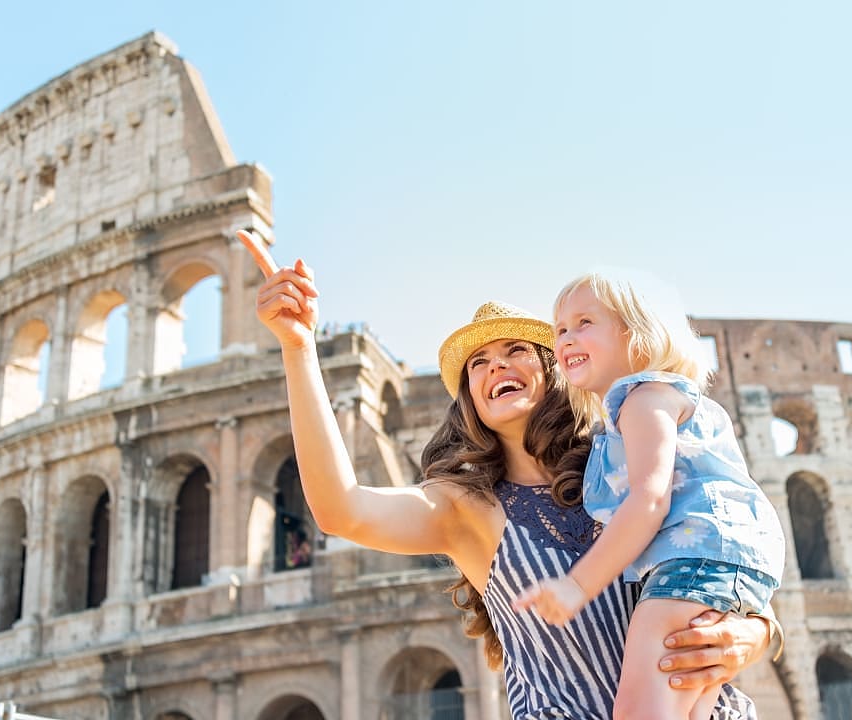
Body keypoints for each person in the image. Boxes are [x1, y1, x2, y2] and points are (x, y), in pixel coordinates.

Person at [237, 231, 780, 719]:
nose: (496, 365)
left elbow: (721, 556)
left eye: (516, 350)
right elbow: (341, 509)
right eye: (479, 363)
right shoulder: (462, 507)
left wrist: (755, 633)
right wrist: (299, 348)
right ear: (471, 400)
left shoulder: (620, 466)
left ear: (555, 371)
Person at [515, 272, 786, 719]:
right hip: (712, 567)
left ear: (637, 335)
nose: (566, 338)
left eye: (585, 323)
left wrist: (576, 585)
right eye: (560, 329)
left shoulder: (643, 400)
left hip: (692, 565)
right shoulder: (635, 410)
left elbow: (650, 499)